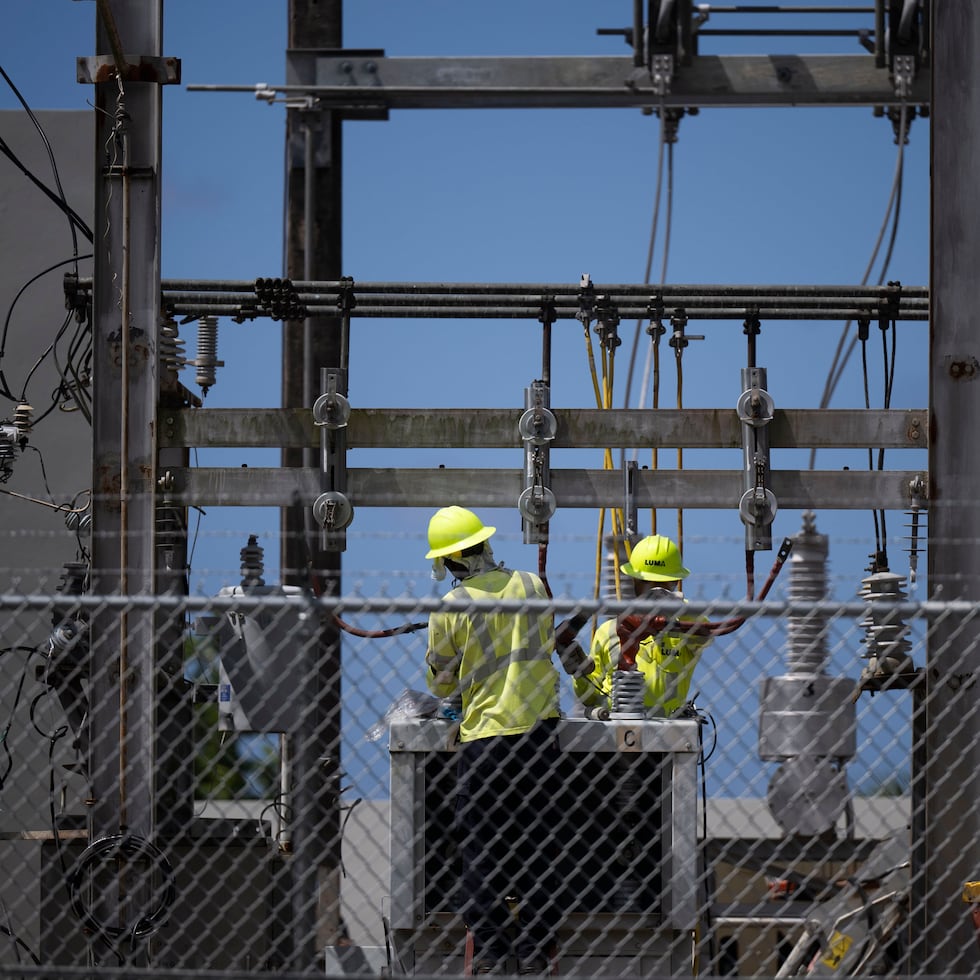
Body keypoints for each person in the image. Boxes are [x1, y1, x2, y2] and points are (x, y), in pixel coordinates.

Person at [423, 505, 562, 976]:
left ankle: (492, 951)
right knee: (540, 843)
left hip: (485, 738)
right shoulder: (531, 585)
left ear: (450, 561)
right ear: (484, 544)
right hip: (539, 734)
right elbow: (548, 642)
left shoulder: (450, 608)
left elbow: (441, 683)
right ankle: (534, 947)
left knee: (481, 847)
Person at [573, 534, 712, 718]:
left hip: (668, 731)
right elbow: (588, 697)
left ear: (675, 583)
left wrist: (680, 607)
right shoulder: (609, 631)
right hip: (615, 728)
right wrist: (580, 673)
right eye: (646, 582)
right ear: (634, 581)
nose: (653, 591)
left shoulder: (683, 629)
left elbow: (705, 635)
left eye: (662, 584)